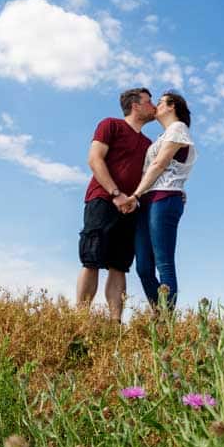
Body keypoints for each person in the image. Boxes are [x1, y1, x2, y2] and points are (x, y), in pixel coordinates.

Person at [76, 88, 156, 321]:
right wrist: (115, 193)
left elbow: (151, 175)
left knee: (120, 265)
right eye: (149, 102)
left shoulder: (148, 144)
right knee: (91, 259)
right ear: (135, 105)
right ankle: (80, 320)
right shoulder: (110, 125)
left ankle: (114, 324)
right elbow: (94, 159)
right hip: (102, 199)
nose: (153, 107)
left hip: (130, 207)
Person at [123, 91, 196, 309]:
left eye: (160, 102)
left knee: (164, 262)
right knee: (143, 267)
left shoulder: (178, 129)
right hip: (148, 201)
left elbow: (159, 165)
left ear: (172, 106)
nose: (156, 106)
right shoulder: (163, 136)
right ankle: (160, 312)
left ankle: (166, 322)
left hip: (164, 199)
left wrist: (134, 194)